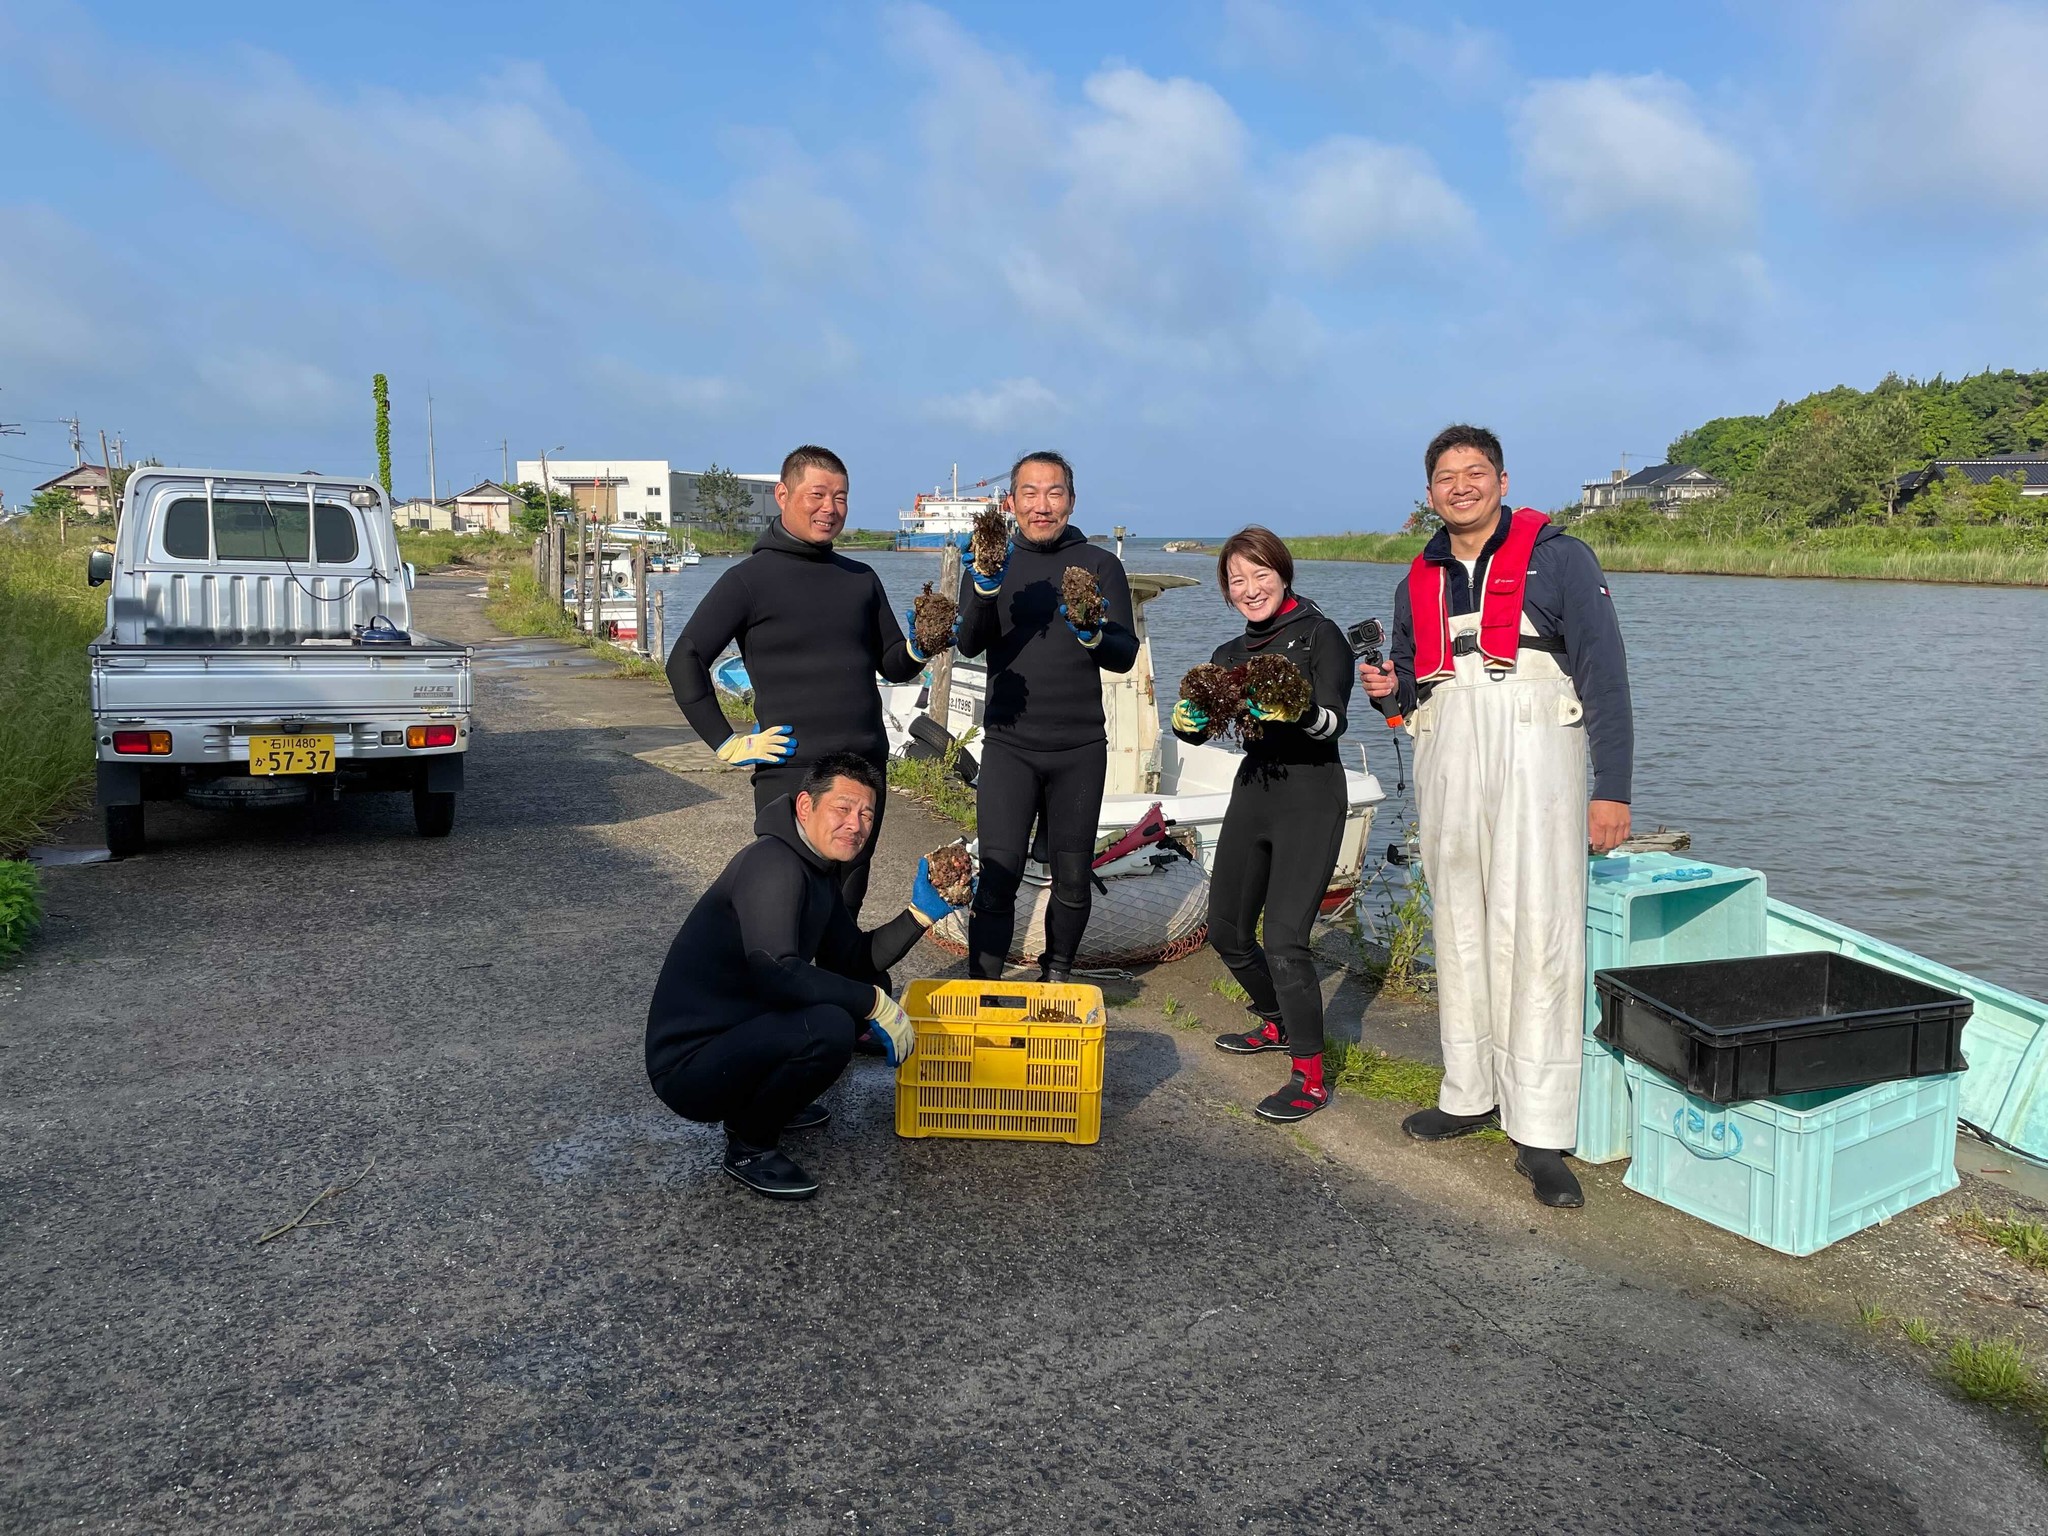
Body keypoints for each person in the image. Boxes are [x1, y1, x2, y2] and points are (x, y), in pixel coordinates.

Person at [1359, 424, 1633, 1209]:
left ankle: (1540, 1130)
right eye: (1446, 477)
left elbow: (1605, 674)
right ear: (1431, 493)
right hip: (1450, 748)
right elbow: (1412, 686)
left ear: (1503, 481)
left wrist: (1611, 788)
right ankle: (1468, 1091)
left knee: (1540, 929)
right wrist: (1390, 692)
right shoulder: (1420, 574)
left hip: (1538, 745)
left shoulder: (1563, 557)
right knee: (1461, 922)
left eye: (1475, 473)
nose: (1461, 486)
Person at [643, 753, 971, 1200]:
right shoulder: (773, 864)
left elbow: (855, 959)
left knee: (856, 998)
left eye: (867, 814)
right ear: (804, 806)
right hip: (689, 1066)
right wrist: (873, 1004)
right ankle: (750, 1145)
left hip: (736, 1034)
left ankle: (765, 1102)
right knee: (833, 1027)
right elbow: (776, 970)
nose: (855, 825)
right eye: (843, 808)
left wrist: (921, 913)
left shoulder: (817, 867)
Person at [666, 445, 939, 915]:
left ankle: (836, 989)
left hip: (865, 768)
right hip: (793, 772)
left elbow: (892, 663)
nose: (829, 509)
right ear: (782, 494)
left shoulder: (861, 578)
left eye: (841, 497)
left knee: (845, 909)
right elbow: (685, 658)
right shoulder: (748, 580)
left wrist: (921, 645)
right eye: (817, 495)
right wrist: (725, 742)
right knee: (785, 909)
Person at [1171, 527, 1354, 1122]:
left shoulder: (1322, 636)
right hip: (1253, 791)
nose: (1250, 589)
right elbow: (1201, 727)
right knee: (1226, 929)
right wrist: (1189, 722)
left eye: (1260, 575)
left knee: (1284, 941)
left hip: (1311, 793)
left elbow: (1334, 723)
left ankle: (1311, 1076)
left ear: (1283, 572)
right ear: (1227, 591)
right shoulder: (1228, 655)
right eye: (1237, 581)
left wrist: (1300, 712)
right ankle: (1278, 1022)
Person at [953, 451, 1137, 982]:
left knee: (1073, 877)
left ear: (1071, 501)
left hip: (1079, 749)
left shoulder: (1102, 565)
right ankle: (982, 989)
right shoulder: (992, 560)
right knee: (998, 875)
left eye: (1054, 492)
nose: (1041, 504)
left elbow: (1123, 654)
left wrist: (1095, 633)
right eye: (1029, 493)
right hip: (1010, 745)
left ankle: (1056, 976)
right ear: (1010, 502)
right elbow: (968, 643)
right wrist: (984, 595)